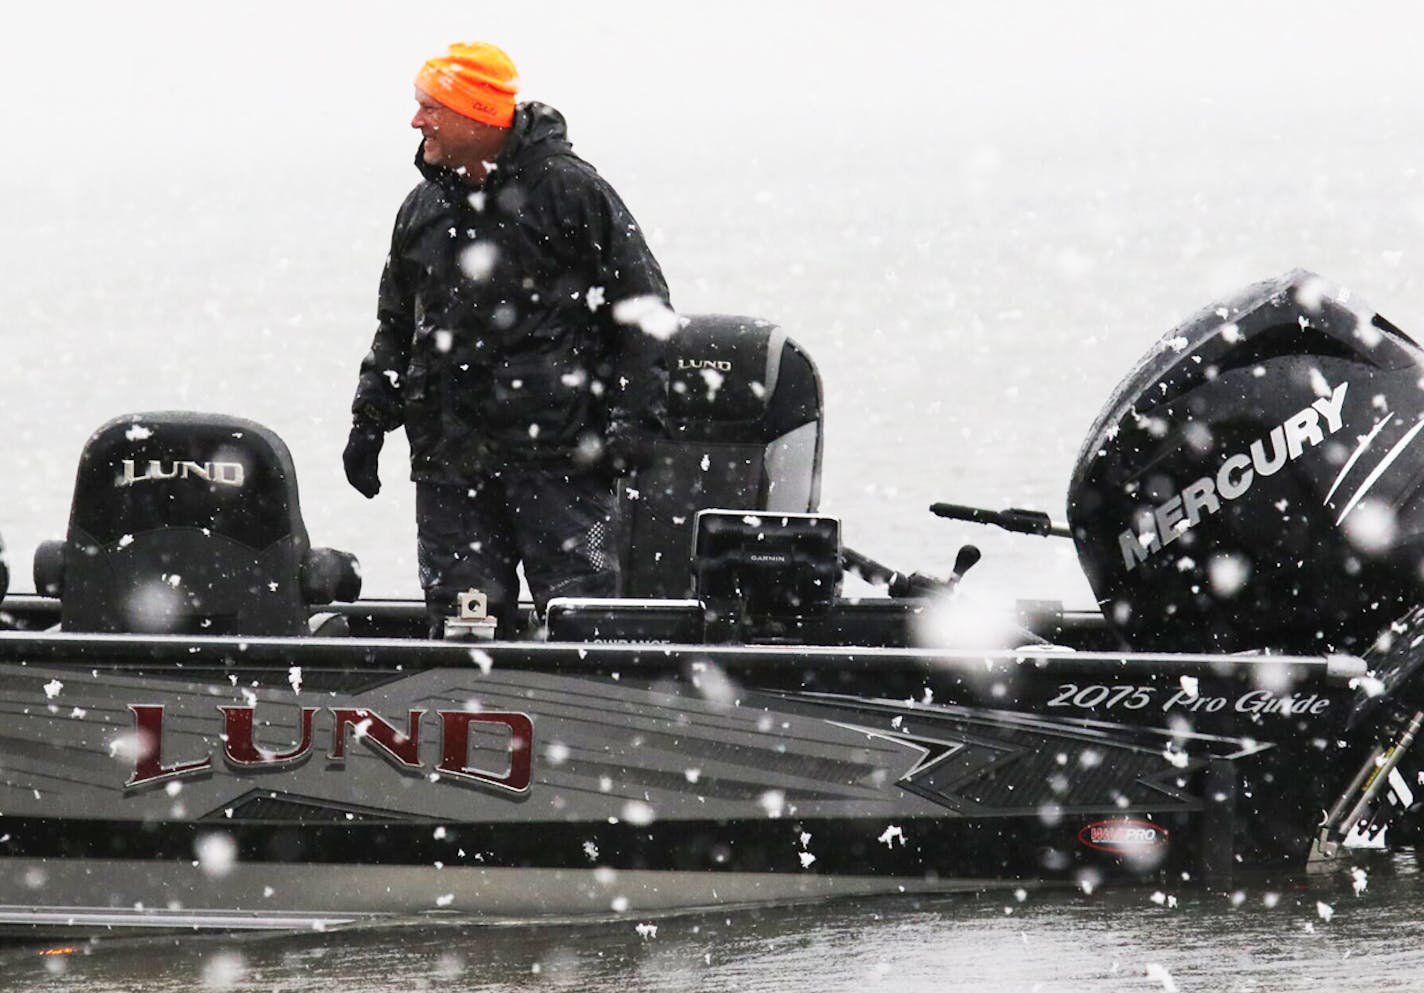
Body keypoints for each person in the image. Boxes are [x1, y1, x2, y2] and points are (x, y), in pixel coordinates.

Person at [343, 41, 673, 637]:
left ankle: (588, 722)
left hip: (560, 467)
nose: (416, 121)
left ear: (476, 114)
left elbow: (645, 313)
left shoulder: (574, 194)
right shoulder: (421, 208)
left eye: (430, 107)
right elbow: (396, 325)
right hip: (450, 470)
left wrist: (634, 427)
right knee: (465, 637)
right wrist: (370, 418)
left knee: (584, 638)